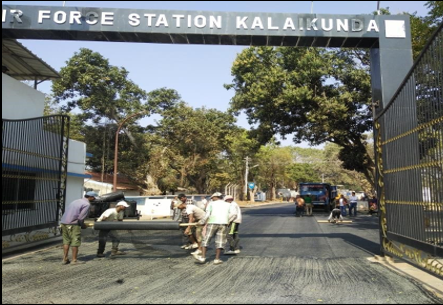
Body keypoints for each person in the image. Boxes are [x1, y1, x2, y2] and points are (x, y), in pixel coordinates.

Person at [193, 192, 237, 265]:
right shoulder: (229, 204)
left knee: (207, 239)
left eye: (212, 198)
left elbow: (207, 214)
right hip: (223, 224)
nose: (212, 199)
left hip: (212, 223)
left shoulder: (211, 204)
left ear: (216, 197)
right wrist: (228, 220)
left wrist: (201, 222)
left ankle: (203, 257)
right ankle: (217, 259)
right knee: (220, 241)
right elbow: (234, 214)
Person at [60, 191, 96, 265]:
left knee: (66, 241)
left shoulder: (76, 201)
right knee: (75, 241)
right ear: (90, 197)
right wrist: (83, 225)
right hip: (73, 224)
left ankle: (65, 259)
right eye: (94, 197)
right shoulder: (86, 204)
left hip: (63, 222)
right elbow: (80, 218)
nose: (94, 199)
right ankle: (74, 260)